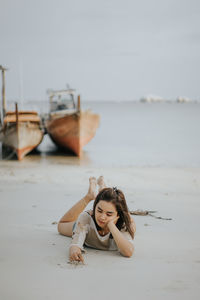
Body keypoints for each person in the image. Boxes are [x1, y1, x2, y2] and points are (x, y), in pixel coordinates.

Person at [57, 176, 136, 263]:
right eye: (99, 210)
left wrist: (111, 225)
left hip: (119, 221)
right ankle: (90, 196)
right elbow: (75, 245)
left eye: (109, 214)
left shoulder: (123, 223)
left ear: (118, 215)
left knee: (132, 225)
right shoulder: (86, 218)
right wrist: (75, 252)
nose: (102, 217)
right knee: (61, 226)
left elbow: (128, 252)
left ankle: (103, 188)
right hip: (87, 226)